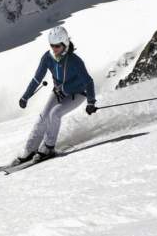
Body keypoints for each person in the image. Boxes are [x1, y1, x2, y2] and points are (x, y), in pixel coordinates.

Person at [13, 26, 98, 165]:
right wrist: (25, 96)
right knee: (43, 117)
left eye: (57, 46)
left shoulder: (74, 60)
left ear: (65, 44)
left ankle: (48, 148)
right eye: (52, 46)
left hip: (77, 94)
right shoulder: (48, 57)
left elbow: (88, 81)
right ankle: (30, 150)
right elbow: (37, 78)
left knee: (55, 114)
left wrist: (91, 102)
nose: (54, 49)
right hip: (59, 92)